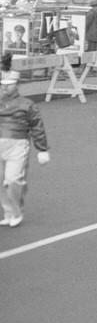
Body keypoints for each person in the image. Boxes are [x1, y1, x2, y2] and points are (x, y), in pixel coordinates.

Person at [0, 69, 51, 227]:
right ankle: (8, 212)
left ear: (16, 85)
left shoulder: (27, 104)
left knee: (13, 179)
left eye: (9, 85)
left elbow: (37, 127)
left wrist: (42, 149)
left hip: (18, 145)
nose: (5, 88)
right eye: (3, 85)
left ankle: (16, 212)